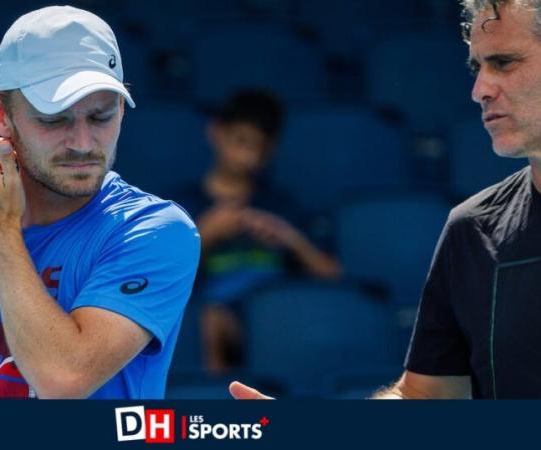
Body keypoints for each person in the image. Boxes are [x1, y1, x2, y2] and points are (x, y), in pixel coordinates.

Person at [0, 6, 200, 399]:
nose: (82, 143)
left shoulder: (154, 230)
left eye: (101, 117)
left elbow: (63, 380)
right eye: (53, 120)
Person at [232, 0, 541, 400]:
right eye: (477, 68)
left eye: (504, 62)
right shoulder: (474, 229)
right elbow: (426, 398)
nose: (480, 90)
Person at [174, 89, 341, 372]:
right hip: (220, 317)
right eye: (240, 141)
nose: (248, 156)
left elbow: (334, 277)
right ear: (216, 132)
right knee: (209, 319)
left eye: (259, 147)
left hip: (282, 316)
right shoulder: (182, 207)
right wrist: (206, 234)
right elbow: (156, 274)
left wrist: (290, 238)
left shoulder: (282, 205)